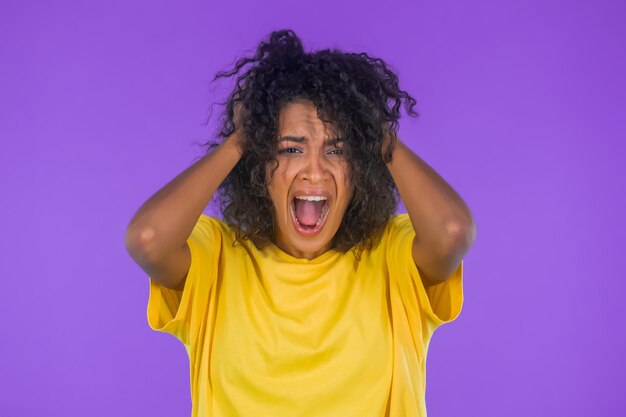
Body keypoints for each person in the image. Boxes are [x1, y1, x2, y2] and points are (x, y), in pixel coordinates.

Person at [125, 29, 476, 417]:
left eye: (336, 150)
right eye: (291, 148)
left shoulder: (391, 254)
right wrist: (241, 139)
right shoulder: (219, 256)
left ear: (358, 168)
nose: (314, 170)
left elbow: (452, 233)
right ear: (261, 165)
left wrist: (376, 133)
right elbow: (148, 238)